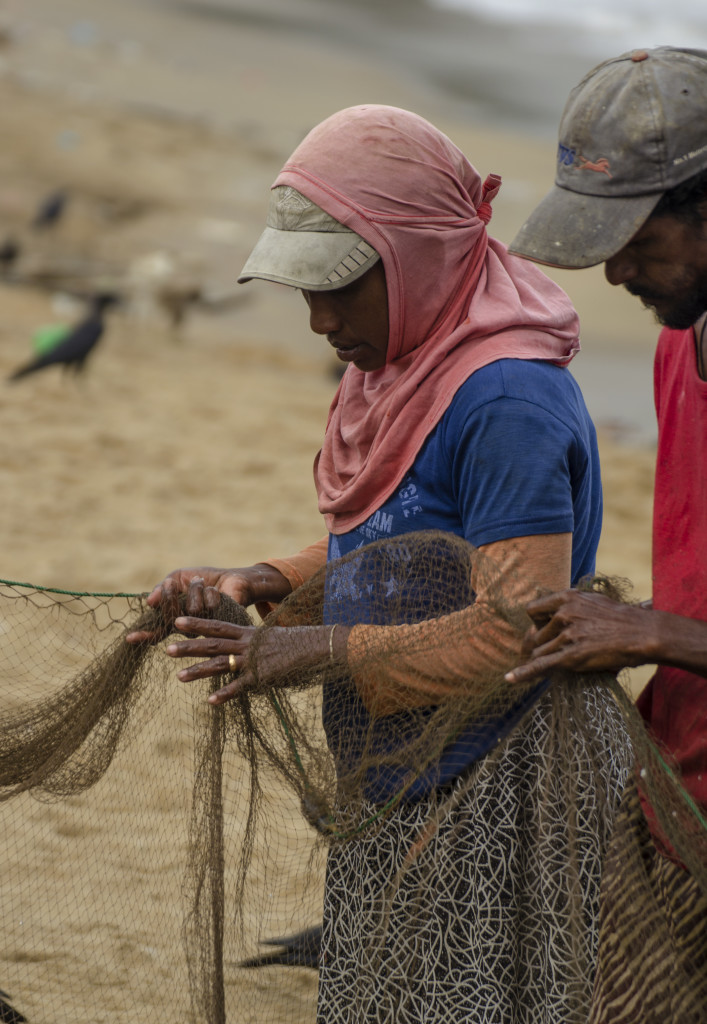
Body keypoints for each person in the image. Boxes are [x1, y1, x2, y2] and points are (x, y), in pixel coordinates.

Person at [127, 104, 633, 1023]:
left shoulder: (504, 398)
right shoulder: (399, 362)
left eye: (341, 286)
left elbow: (521, 627)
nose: (319, 319)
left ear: (420, 257)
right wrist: (270, 579)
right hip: (403, 773)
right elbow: (405, 535)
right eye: (304, 290)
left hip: (492, 788)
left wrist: (314, 651)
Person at [505, 46, 707, 815]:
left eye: (635, 243)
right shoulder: (675, 346)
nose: (614, 276)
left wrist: (657, 634)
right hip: (679, 785)